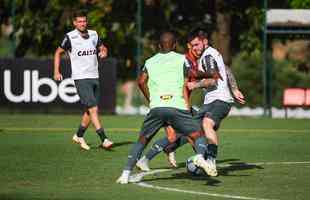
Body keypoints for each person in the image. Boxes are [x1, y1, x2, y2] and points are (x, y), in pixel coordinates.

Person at [136, 28, 245, 177]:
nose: (194, 48)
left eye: (196, 45)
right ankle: (150, 158)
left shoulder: (206, 57)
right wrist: (234, 88)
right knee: (187, 133)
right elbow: (221, 71)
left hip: (216, 100)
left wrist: (198, 85)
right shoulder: (192, 58)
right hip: (185, 102)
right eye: (192, 46)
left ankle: (206, 159)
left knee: (199, 129)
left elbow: (217, 75)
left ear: (204, 42)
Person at [116, 31, 214, 184]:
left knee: (142, 141)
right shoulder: (182, 58)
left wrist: (151, 99)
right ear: (175, 45)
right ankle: (200, 157)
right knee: (198, 134)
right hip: (176, 106)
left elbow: (141, 81)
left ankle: (125, 174)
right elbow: (192, 73)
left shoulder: (149, 61)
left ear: (159, 45)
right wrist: (210, 73)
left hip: (157, 107)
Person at [53, 10, 113, 151]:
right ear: (74, 23)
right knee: (94, 108)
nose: (82, 24)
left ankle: (79, 135)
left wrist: (104, 51)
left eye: (84, 21)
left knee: (89, 110)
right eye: (79, 21)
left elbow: (102, 47)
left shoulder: (94, 34)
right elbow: (58, 53)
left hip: (94, 76)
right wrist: (56, 71)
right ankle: (104, 139)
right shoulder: (70, 37)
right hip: (81, 78)